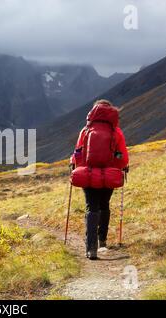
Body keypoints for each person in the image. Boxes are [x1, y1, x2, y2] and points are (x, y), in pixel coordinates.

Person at [70, 99, 129, 260]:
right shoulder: (116, 132)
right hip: (108, 175)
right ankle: (102, 240)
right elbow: (122, 157)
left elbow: (78, 153)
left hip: (88, 174)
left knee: (91, 207)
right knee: (104, 205)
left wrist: (75, 166)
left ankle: (91, 249)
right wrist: (120, 167)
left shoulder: (86, 130)